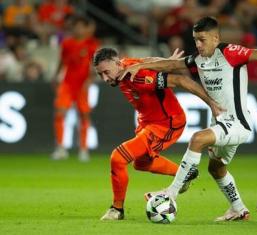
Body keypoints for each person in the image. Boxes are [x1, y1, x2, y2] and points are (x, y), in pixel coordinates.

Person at [120, 16, 257, 221]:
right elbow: (172, 65)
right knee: (216, 168)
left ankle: (170, 193)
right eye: (195, 39)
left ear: (216, 38)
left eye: (202, 39)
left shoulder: (230, 53)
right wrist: (140, 65)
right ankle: (239, 209)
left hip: (238, 123)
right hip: (221, 123)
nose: (198, 44)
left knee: (197, 139)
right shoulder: (198, 60)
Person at [93, 47, 221, 220]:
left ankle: (117, 209)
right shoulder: (126, 66)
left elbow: (181, 80)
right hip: (147, 122)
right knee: (140, 164)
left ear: (117, 63)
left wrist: (212, 104)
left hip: (166, 124)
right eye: (100, 74)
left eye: (106, 72)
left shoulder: (137, 77)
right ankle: (185, 173)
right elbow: (147, 60)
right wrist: (166, 61)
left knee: (118, 157)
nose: (105, 78)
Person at [51, 15, 99, 161]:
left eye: (80, 26)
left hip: (82, 85)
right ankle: (60, 148)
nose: (78, 29)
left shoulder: (92, 45)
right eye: (75, 26)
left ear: (86, 29)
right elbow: (62, 61)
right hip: (67, 84)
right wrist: (55, 75)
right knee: (60, 113)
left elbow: (95, 66)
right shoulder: (67, 43)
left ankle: (83, 149)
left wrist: (90, 80)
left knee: (83, 115)